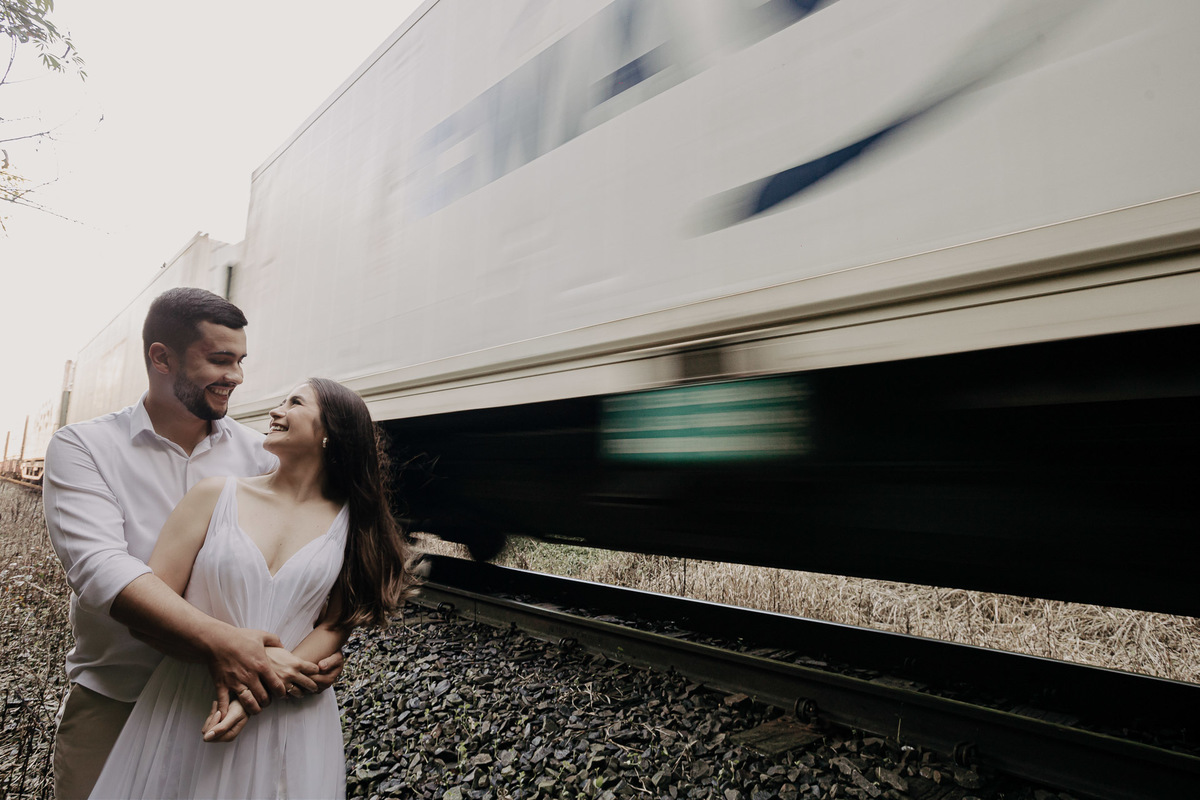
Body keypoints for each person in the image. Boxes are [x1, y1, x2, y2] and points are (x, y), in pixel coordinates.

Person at [44, 288, 338, 799]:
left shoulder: (263, 455)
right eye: (220, 360)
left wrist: (318, 647)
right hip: (119, 700)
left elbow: (325, 559)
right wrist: (227, 644)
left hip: (232, 712)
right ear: (162, 357)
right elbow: (100, 568)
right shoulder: (84, 447)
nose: (237, 377)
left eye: (241, 360)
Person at [89, 378, 417, 798]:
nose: (275, 411)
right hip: (192, 697)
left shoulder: (353, 523)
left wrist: (249, 698)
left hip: (288, 715)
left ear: (330, 432)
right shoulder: (213, 496)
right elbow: (152, 609)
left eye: (294, 403)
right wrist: (262, 667)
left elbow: (337, 624)